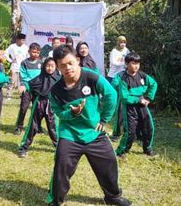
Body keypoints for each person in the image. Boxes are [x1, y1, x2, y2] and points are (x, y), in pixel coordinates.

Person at [46, 45, 130, 206]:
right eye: (62, 65)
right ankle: (56, 201)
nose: (67, 68)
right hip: (69, 135)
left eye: (70, 63)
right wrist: (72, 113)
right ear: (57, 67)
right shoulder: (56, 90)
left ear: (77, 60)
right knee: (61, 168)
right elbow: (59, 113)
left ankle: (113, 197)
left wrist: (104, 119)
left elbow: (111, 94)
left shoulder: (91, 77)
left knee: (109, 163)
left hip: (94, 132)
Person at [114, 53, 158, 158]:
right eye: (133, 63)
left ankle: (147, 149)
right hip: (129, 107)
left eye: (138, 63)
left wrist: (148, 98)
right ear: (126, 64)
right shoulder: (123, 78)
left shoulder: (143, 76)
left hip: (142, 106)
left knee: (149, 128)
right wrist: (138, 100)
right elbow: (124, 97)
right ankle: (121, 152)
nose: (136, 66)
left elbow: (153, 84)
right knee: (130, 132)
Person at [18, 57, 59, 158]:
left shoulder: (58, 79)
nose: (50, 68)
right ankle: (24, 147)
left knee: (53, 127)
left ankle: (59, 147)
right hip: (39, 103)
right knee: (33, 126)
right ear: (44, 66)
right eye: (48, 66)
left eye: (52, 66)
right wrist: (23, 85)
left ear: (56, 67)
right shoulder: (39, 78)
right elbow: (28, 84)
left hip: (52, 105)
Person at [14, 43, 43, 135]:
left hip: (37, 90)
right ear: (29, 51)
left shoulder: (41, 63)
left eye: (37, 52)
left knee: (37, 109)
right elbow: (22, 76)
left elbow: (43, 76)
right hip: (27, 89)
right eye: (33, 52)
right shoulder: (24, 63)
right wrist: (26, 84)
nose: (35, 54)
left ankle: (37, 126)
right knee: (23, 108)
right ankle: (19, 127)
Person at [108, 35, 130, 140]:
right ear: (118, 42)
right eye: (121, 42)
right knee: (114, 99)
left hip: (123, 77)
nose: (123, 44)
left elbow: (130, 60)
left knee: (122, 101)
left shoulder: (126, 50)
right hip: (113, 76)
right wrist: (124, 63)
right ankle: (111, 112)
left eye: (124, 42)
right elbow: (114, 63)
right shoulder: (114, 51)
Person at [5, 33, 29, 98]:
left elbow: (28, 56)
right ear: (17, 40)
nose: (23, 41)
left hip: (22, 67)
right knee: (11, 80)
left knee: (22, 81)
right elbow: (5, 53)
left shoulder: (25, 47)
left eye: (24, 40)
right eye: (22, 40)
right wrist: (10, 60)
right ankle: (8, 94)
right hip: (14, 66)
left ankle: (22, 94)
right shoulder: (12, 46)